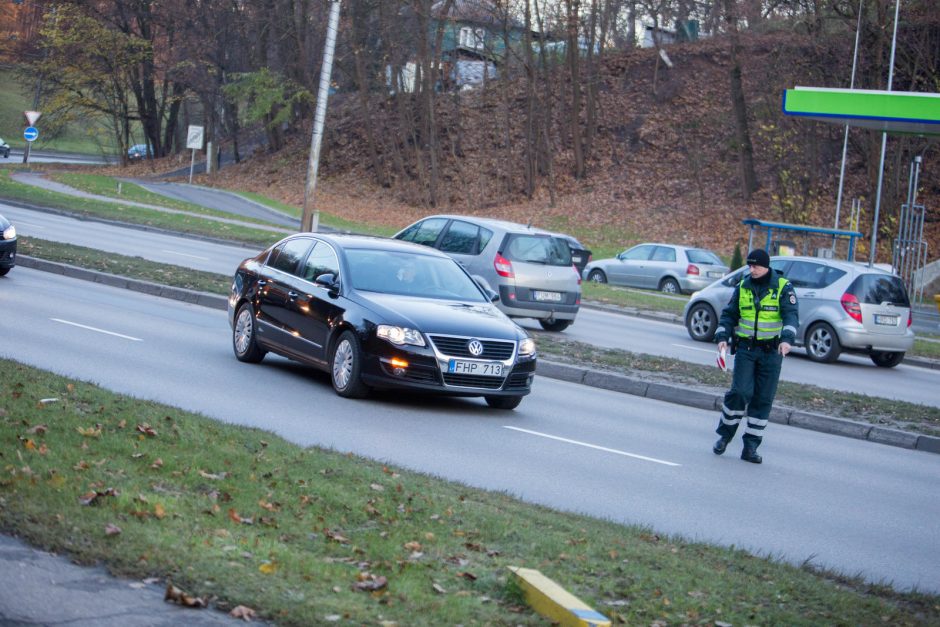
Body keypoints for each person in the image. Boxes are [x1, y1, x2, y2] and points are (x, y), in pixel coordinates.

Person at [712, 249, 798, 464]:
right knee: (740, 392)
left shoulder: (782, 287)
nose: (752, 270)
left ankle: (750, 447)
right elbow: (730, 314)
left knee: (762, 399)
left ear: (766, 266)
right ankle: (725, 436)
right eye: (749, 266)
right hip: (746, 350)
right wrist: (722, 334)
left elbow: (791, 316)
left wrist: (787, 339)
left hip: (772, 352)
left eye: (755, 266)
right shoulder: (743, 286)